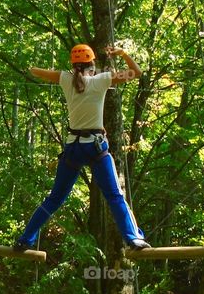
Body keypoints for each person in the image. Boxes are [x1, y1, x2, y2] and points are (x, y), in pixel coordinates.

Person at [14, 43, 151, 251]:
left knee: (54, 199)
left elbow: (38, 73)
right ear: (92, 65)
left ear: (73, 65)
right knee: (114, 196)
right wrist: (122, 53)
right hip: (96, 148)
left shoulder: (66, 79)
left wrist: (29, 68)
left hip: (73, 149)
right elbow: (137, 73)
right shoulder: (101, 80)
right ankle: (133, 238)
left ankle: (25, 239)